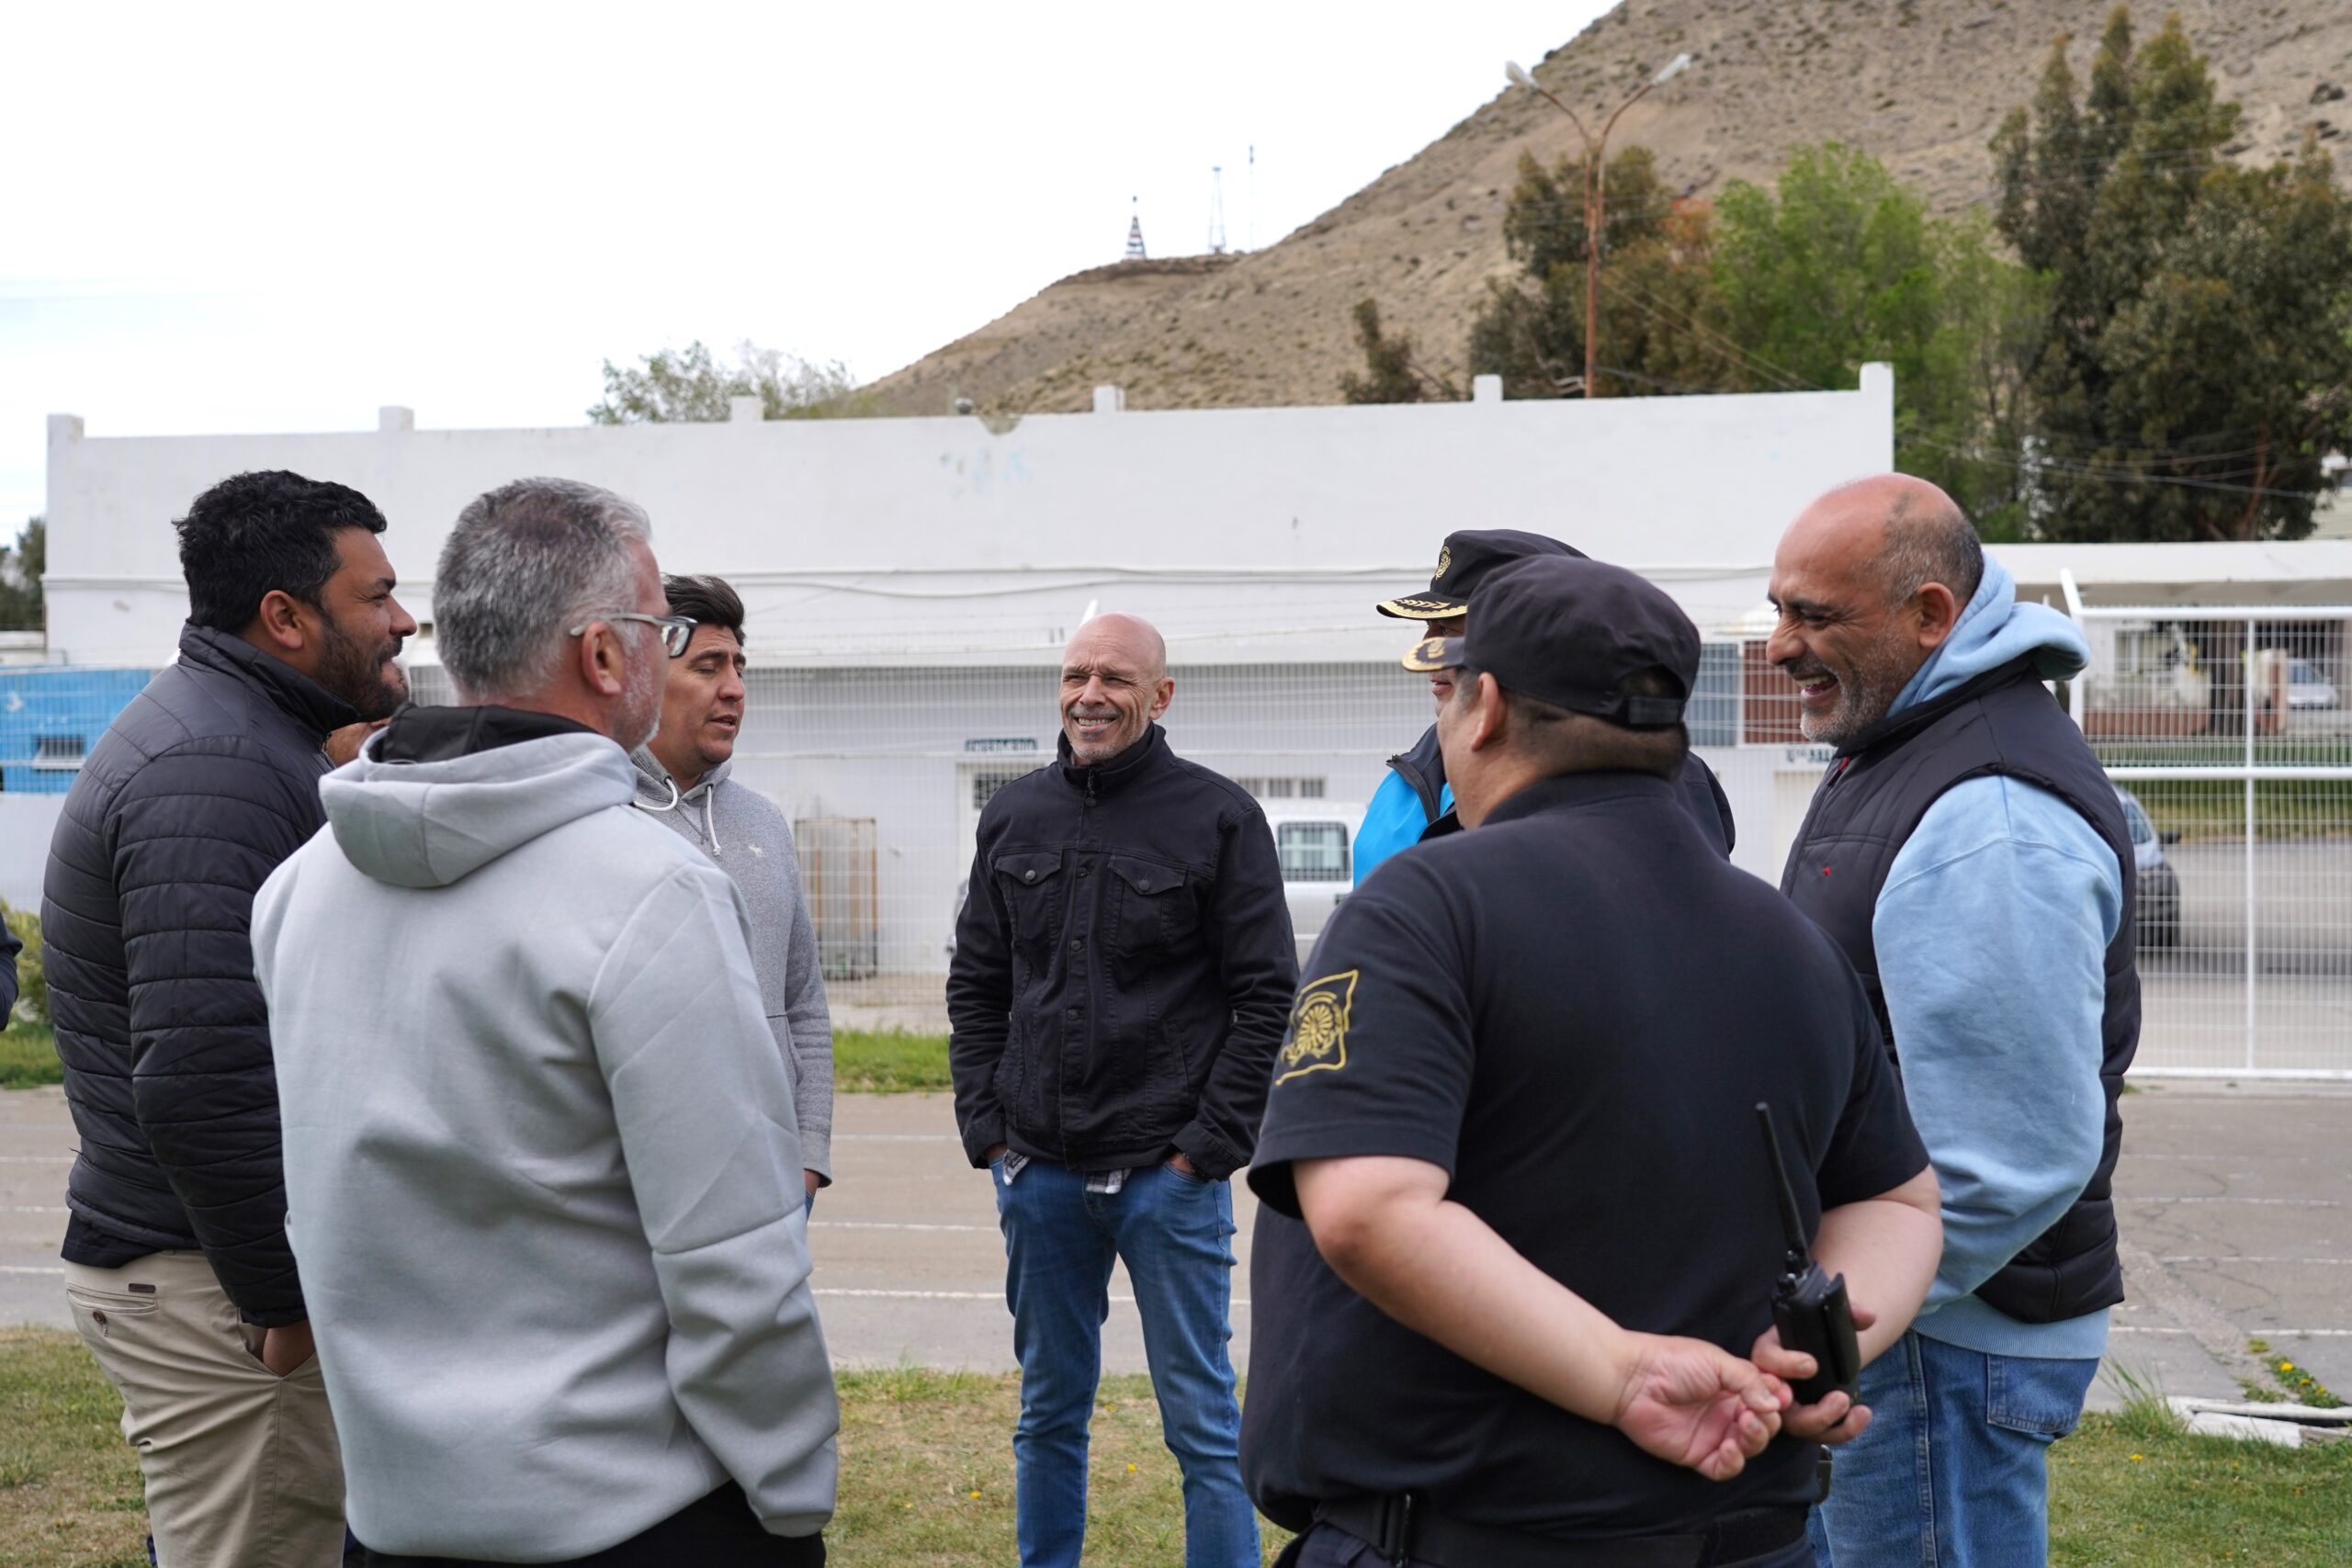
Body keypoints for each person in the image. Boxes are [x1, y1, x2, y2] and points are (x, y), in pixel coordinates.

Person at [1242, 554, 1944, 1568]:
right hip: (1751, 1541)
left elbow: (1368, 1208)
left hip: (1476, 1538)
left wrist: (1621, 1376)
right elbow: (1900, 1203)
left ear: (1482, 708)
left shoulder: (1423, 906)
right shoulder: (1788, 937)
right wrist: (1816, 1360)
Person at [250, 478, 836, 1565]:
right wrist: (793, 1492)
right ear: (607, 659)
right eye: (662, 631)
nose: (673, 659)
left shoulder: (297, 889)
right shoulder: (651, 890)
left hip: (393, 1516)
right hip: (635, 1518)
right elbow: (733, 1262)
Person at [41, 468, 413, 1567]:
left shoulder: (247, 737)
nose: (401, 622)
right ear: (286, 617)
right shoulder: (216, 766)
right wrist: (284, 1300)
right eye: (378, 595)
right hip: (217, 1287)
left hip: (214, 1271)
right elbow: (202, 1073)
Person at [1768, 475, 2136, 1568]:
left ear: (1931, 614)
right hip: (1916, 1331)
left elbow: (2009, 1155)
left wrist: (1846, 1325)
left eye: (1814, 617)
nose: (1780, 646)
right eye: (1779, 609)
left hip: (1937, 1345)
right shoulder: (1905, 745)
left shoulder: (1990, 813)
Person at [947, 611, 1296, 1568]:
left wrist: (1202, 1152)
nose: (1088, 695)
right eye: (1074, 675)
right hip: (1039, 1174)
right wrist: (988, 1130)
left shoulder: (1219, 818)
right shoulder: (1013, 815)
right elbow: (977, 980)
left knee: (1201, 1425)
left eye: (1113, 678)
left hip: (1164, 1180)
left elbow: (1267, 994)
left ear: (1160, 695)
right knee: (1048, 1413)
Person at [1358, 528, 1736, 882]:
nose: (1427, 651)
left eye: (1452, 632)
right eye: (1427, 629)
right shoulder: (1409, 778)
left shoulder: (1671, 779)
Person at [632, 573, 833, 1208]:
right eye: (708, 666)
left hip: (774, 1176)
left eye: (740, 667)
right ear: (641, 680)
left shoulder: (764, 822)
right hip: (652, 1186)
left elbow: (803, 999)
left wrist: (809, 1152)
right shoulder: (598, 822)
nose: (735, 690)